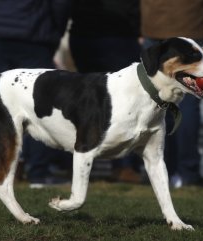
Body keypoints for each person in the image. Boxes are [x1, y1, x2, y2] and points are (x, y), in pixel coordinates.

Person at [0, 0, 73, 187]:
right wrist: (54, 31)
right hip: (34, 36)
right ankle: (38, 173)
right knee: (38, 106)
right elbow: (60, 5)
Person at [140, 0, 203, 188]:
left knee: (152, 102)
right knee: (188, 103)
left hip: (155, 22)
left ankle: (157, 167)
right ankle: (187, 171)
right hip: (192, 22)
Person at [68, 0, 143, 183]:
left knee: (88, 101)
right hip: (118, 34)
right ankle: (123, 165)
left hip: (83, 31)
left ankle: (84, 159)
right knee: (124, 100)